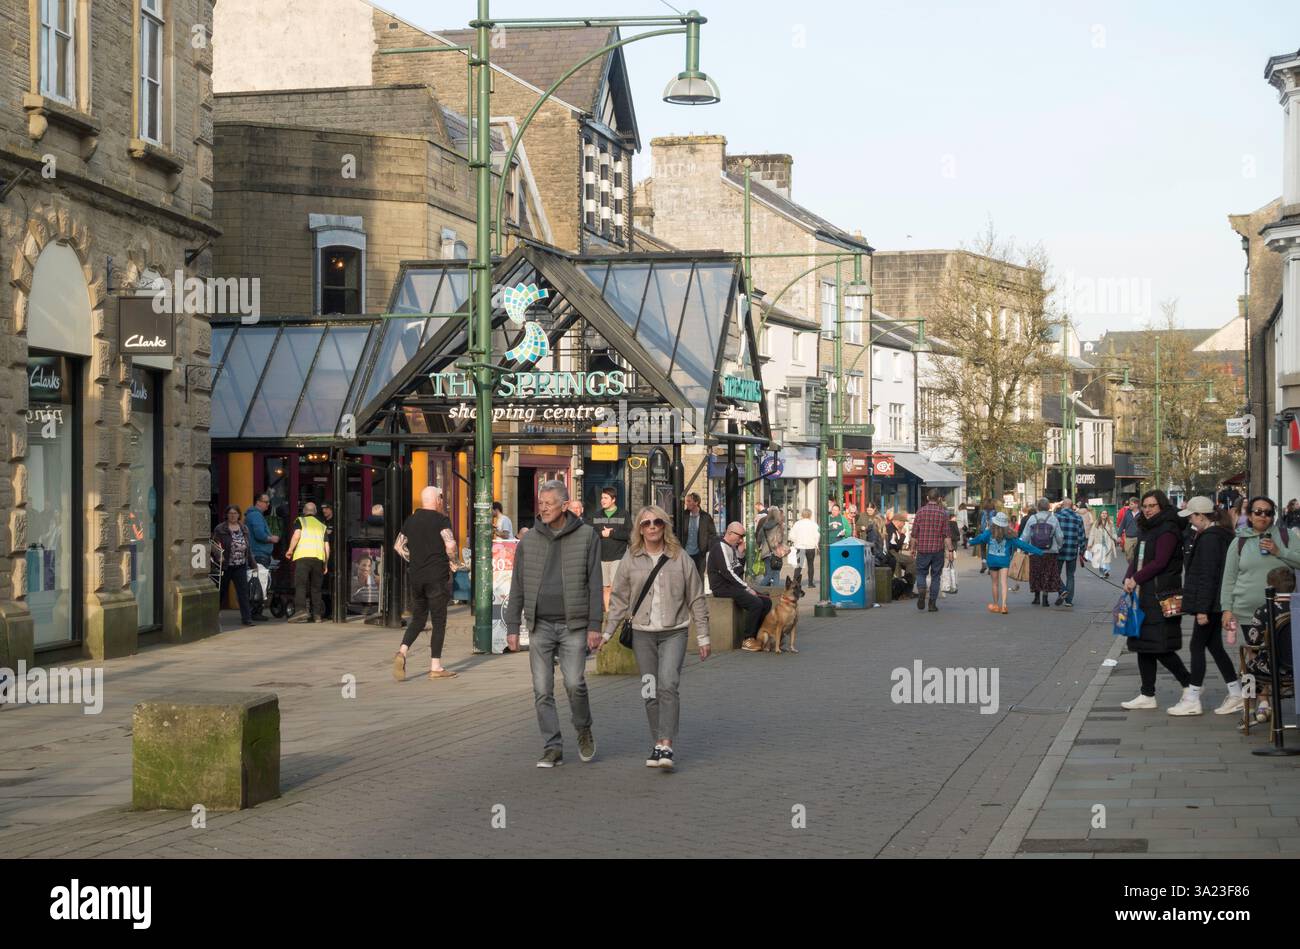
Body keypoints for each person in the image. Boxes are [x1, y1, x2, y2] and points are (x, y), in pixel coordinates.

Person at [601, 504, 711, 770]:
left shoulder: (680, 557)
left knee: (668, 684)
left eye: (658, 522)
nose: (652, 527)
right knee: (649, 689)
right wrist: (607, 631)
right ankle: (657, 742)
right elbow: (619, 597)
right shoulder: (631, 557)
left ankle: (667, 744)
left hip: (674, 631)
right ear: (639, 528)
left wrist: (704, 636)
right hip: (643, 634)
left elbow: (696, 596)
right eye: (646, 523)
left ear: (665, 527)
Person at [505, 480, 603, 768]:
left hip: (573, 625)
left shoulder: (587, 536)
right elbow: (517, 584)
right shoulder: (529, 540)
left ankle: (583, 729)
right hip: (540, 625)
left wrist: (595, 625)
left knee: (574, 683)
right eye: (541, 503)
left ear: (564, 504)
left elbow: (595, 583)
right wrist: (512, 626)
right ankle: (553, 746)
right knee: (542, 690)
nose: (543, 508)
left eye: (549, 503)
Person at [1120, 491, 1194, 711]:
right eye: (1145, 505)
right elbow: (1139, 558)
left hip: (1161, 595)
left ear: (1162, 506)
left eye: (1152, 505)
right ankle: (1147, 693)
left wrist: (1136, 578)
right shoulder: (1146, 528)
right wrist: (1128, 576)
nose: (1148, 509)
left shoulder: (1168, 529)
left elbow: (1160, 562)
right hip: (1144, 594)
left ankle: (1189, 684)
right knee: (1143, 646)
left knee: (1161, 646)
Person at [1174, 497, 1241, 716]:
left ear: (1201, 516)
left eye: (1192, 516)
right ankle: (1235, 692)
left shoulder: (1210, 538)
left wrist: (1202, 609)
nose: (1191, 521)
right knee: (1214, 647)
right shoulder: (1219, 535)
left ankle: (1192, 697)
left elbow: (1208, 576)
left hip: (1209, 604)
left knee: (1196, 646)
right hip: (1214, 602)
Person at [392, 485, 461, 681]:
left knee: (419, 619)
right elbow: (450, 544)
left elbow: (398, 546)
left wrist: (413, 559)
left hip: (416, 577)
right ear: (438, 499)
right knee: (439, 621)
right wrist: (454, 563)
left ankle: (402, 652)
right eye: (442, 498)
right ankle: (436, 667)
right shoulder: (441, 519)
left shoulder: (411, 520)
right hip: (436, 577)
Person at [1221, 495, 1300, 662]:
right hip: (1248, 611)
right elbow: (1229, 578)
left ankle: (1277, 687)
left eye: (1268, 513)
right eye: (1258, 512)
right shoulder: (1240, 541)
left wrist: (1280, 552)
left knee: (1283, 656)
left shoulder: (1287, 536)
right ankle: (1262, 687)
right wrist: (1227, 610)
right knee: (1257, 656)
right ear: (1249, 516)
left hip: (1283, 611)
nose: (1263, 516)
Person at [1240, 566, 1295, 726]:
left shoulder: (1264, 610)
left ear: (1269, 587)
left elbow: (1253, 642)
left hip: (1275, 666)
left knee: (1248, 664)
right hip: (1297, 665)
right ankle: (1263, 705)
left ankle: (1250, 709)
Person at [706, 521, 772, 651]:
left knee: (766, 601)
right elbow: (728, 572)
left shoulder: (731, 548)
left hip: (732, 586)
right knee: (755, 603)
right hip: (722, 587)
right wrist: (746, 588)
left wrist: (741, 555)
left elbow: (738, 570)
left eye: (743, 537)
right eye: (740, 536)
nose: (741, 540)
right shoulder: (720, 547)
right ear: (730, 533)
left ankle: (759, 636)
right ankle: (748, 638)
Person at [968, 512, 1044, 613]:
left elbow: (980, 539)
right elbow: (1022, 545)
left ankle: (995, 605)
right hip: (1004, 561)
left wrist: (970, 542)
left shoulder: (989, 532)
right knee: (1004, 583)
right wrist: (1038, 551)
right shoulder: (1009, 535)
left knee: (995, 584)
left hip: (992, 561)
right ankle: (1004, 606)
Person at [907, 489, 952, 612]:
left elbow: (914, 534)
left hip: (923, 549)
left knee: (921, 573)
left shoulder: (920, 512)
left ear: (927, 498)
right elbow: (947, 535)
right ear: (938, 499)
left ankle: (921, 590)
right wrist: (951, 551)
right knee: (936, 576)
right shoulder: (943, 513)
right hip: (938, 550)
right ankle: (932, 604)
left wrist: (912, 549)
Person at [212, 505, 256, 627]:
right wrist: (219, 556)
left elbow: (248, 547)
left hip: (240, 565)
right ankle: (213, 616)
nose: (233, 516)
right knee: (221, 592)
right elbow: (214, 544)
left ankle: (247, 619)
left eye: (235, 513)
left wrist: (253, 563)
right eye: (230, 513)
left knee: (243, 592)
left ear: (239, 515)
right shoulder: (220, 528)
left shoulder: (244, 528)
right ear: (226, 515)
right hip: (226, 565)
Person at [285, 501, 329, 623]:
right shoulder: (322, 525)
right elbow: (327, 546)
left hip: (303, 557)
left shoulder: (300, 520)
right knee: (316, 588)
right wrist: (325, 563)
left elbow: (296, 535)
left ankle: (300, 611)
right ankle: (317, 615)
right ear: (315, 512)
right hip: (318, 559)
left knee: (301, 585)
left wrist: (290, 550)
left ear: (304, 511)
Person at [1019, 498, 1063, 608]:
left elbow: (1025, 536)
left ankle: (1036, 597)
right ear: (1048, 507)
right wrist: (1059, 546)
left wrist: (1022, 547)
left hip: (1034, 551)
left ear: (1038, 507)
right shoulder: (1053, 519)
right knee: (1047, 573)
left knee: (1036, 573)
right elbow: (1059, 536)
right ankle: (1045, 598)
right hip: (1050, 551)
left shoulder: (1032, 518)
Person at [592, 487, 630, 610]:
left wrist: (612, 533)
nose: (602, 500)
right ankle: (608, 612)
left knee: (616, 586)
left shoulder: (624, 514)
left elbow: (629, 534)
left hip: (618, 557)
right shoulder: (596, 515)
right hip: (602, 557)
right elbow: (591, 534)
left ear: (613, 500)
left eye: (605, 498)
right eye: (602, 498)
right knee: (605, 587)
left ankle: (618, 612)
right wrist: (601, 534)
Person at [244, 493, 279, 617]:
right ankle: (255, 611)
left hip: (257, 553)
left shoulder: (254, 515)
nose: (268, 505)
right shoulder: (256, 515)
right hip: (258, 554)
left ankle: (254, 610)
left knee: (256, 581)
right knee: (259, 582)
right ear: (258, 502)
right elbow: (259, 534)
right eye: (266, 502)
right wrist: (271, 538)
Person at [1054, 498, 1085, 608]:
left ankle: (1062, 591)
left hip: (1059, 550)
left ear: (1063, 506)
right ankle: (1069, 600)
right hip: (1072, 550)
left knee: (1055, 573)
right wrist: (1082, 550)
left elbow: (1053, 533)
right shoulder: (1078, 518)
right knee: (1070, 575)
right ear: (1072, 506)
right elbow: (1081, 536)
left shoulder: (1056, 517)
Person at [681, 492, 717, 577]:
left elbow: (712, 534)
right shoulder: (683, 515)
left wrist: (705, 548)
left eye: (689, 501)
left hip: (700, 554)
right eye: (686, 501)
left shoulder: (706, 517)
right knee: (685, 576)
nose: (687, 503)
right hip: (685, 553)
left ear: (696, 502)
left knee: (699, 578)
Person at [756, 505, 787, 587]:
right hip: (776, 552)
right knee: (776, 573)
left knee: (768, 573)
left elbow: (758, 539)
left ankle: (761, 589)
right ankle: (769, 591)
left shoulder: (764, 526)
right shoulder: (779, 526)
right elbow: (781, 540)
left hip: (765, 553)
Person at [789, 509, 820, 589]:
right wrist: (816, 544)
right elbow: (817, 535)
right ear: (810, 515)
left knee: (799, 565)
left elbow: (791, 535)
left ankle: (794, 582)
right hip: (810, 547)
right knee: (810, 565)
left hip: (800, 547)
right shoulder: (813, 524)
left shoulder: (797, 524)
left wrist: (796, 541)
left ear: (802, 515)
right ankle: (810, 583)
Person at [1086, 508, 1118, 578]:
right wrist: (1090, 544)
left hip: (1107, 543)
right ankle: (1102, 573)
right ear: (1100, 514)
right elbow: (1092, 534)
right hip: (1098, 544)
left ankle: (1106, 570)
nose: (1104, 515)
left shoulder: (1110, 523)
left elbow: (1113, 532)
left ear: (1107, 515)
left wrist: (1116, 538)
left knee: (1106, 558)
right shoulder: (1096, 523)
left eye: (1105, 513)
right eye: (1102, 513)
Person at [977, 498, 996, 573]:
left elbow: (978, 523)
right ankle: (990, 567)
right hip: (992, 533)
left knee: (983, 549)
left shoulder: (981, 512)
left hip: (983, 532)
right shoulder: (995, 512)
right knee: (991, 550)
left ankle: (984, 564)